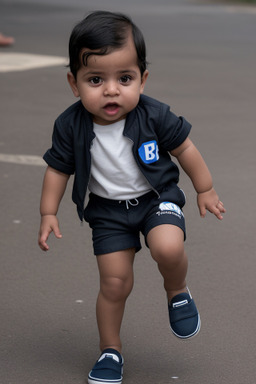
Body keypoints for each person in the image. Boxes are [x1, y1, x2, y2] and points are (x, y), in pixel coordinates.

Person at [38, 11, 225, 384]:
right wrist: (48, 212)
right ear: (74, 84)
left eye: (124, 78)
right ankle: (111, 349)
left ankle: (177, 290)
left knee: (168, 248)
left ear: (142, 79)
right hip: (107, 213)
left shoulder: (153, 114)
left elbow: (185, 148)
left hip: (156, 199)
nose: (111, 90)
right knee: (114, 283)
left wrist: (204, 188)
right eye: (96, 79)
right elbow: (58, 169)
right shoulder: (69, 124)